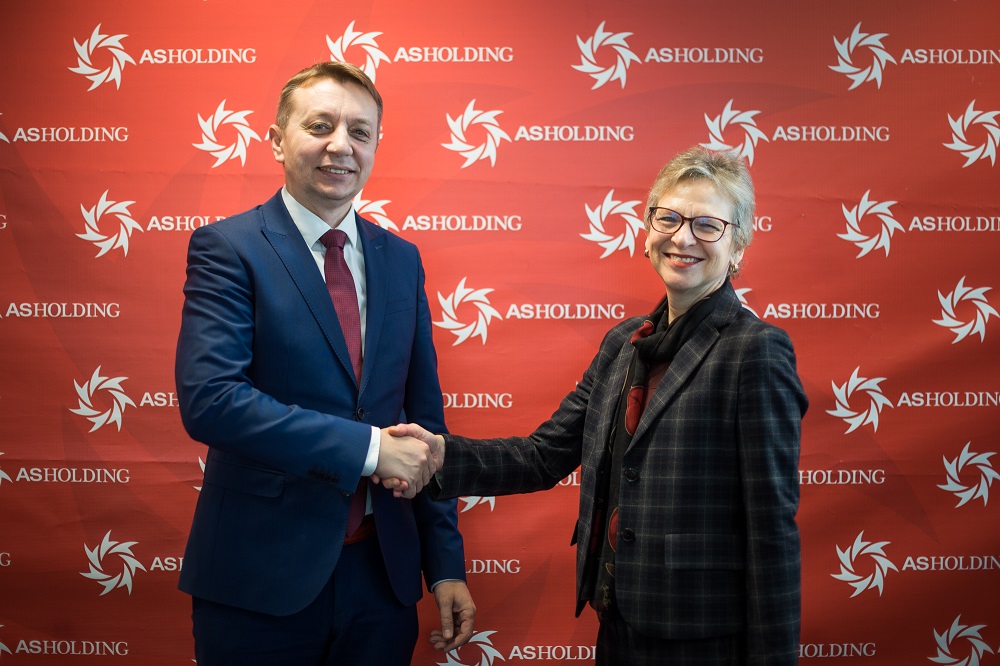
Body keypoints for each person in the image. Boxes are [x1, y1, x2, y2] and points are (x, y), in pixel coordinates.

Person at [389, 146, 807, 664]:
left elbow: (771, 531)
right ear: (647, 230)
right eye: (669, 218)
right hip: (617, 621)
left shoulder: (756, 351)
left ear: (737, 245)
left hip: (704, 638)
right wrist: (438, 455)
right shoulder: (624, 343)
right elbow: (542, 455)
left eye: (707, 225)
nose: (682, 238)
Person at [175, 61, 474, 664]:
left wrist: (444, 563)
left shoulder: (401, 259)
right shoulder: (228, 248)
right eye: (320, 126)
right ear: (277, 139)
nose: (341, 145)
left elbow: (425, 422)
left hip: (382, 579)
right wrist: (370, 449)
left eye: (360, 132)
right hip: (259, 577)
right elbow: (212, 401)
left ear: (376, 146)